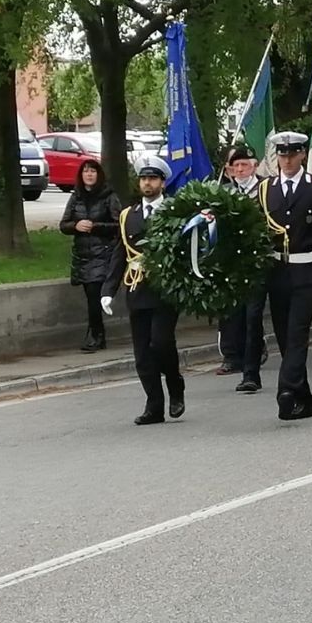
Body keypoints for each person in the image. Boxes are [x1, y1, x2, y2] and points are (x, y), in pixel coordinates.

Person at [258, 132, 312, 420]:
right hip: (277, 272)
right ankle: (304, 398)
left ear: (302, 155)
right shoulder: (265, 189)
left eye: (292, 154)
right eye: (282, 155)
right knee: (284, 337)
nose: (286, 160)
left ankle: (285, 390)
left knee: (297, 333)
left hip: (307, 271)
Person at [100, 156, 184, 424]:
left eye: (153, 179)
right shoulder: (128, 215)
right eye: (144, 179)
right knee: (142, 354)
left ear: (162, 182)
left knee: (161, 343)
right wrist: (108, 290)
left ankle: (175, 385)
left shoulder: (174, 211)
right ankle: (154, 405)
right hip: (137, 288)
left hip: (165, 288)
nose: (147, 183)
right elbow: (120, 253)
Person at [60, 158, 122, 353]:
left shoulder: (109, 196)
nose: (89, 175)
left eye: (93, 171)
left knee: (95, 294)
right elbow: (64, 224)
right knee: (90, 295)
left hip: (102, 253)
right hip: (83, 254)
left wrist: (95, 227)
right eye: (86, 171)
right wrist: (75, 226)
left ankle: (96, 335)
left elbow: (118, 224)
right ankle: (96, 333)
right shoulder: (76, 196)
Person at [218, 145, 268, 386]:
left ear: (254, 165)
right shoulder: (224, 193)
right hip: (233, 265)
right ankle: (238, 357)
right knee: (234, 316)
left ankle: (251, 372)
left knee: (253, 315)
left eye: (244, 165)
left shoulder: (267, 190)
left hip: (257, 263)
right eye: (235, 166)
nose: (240, 169)